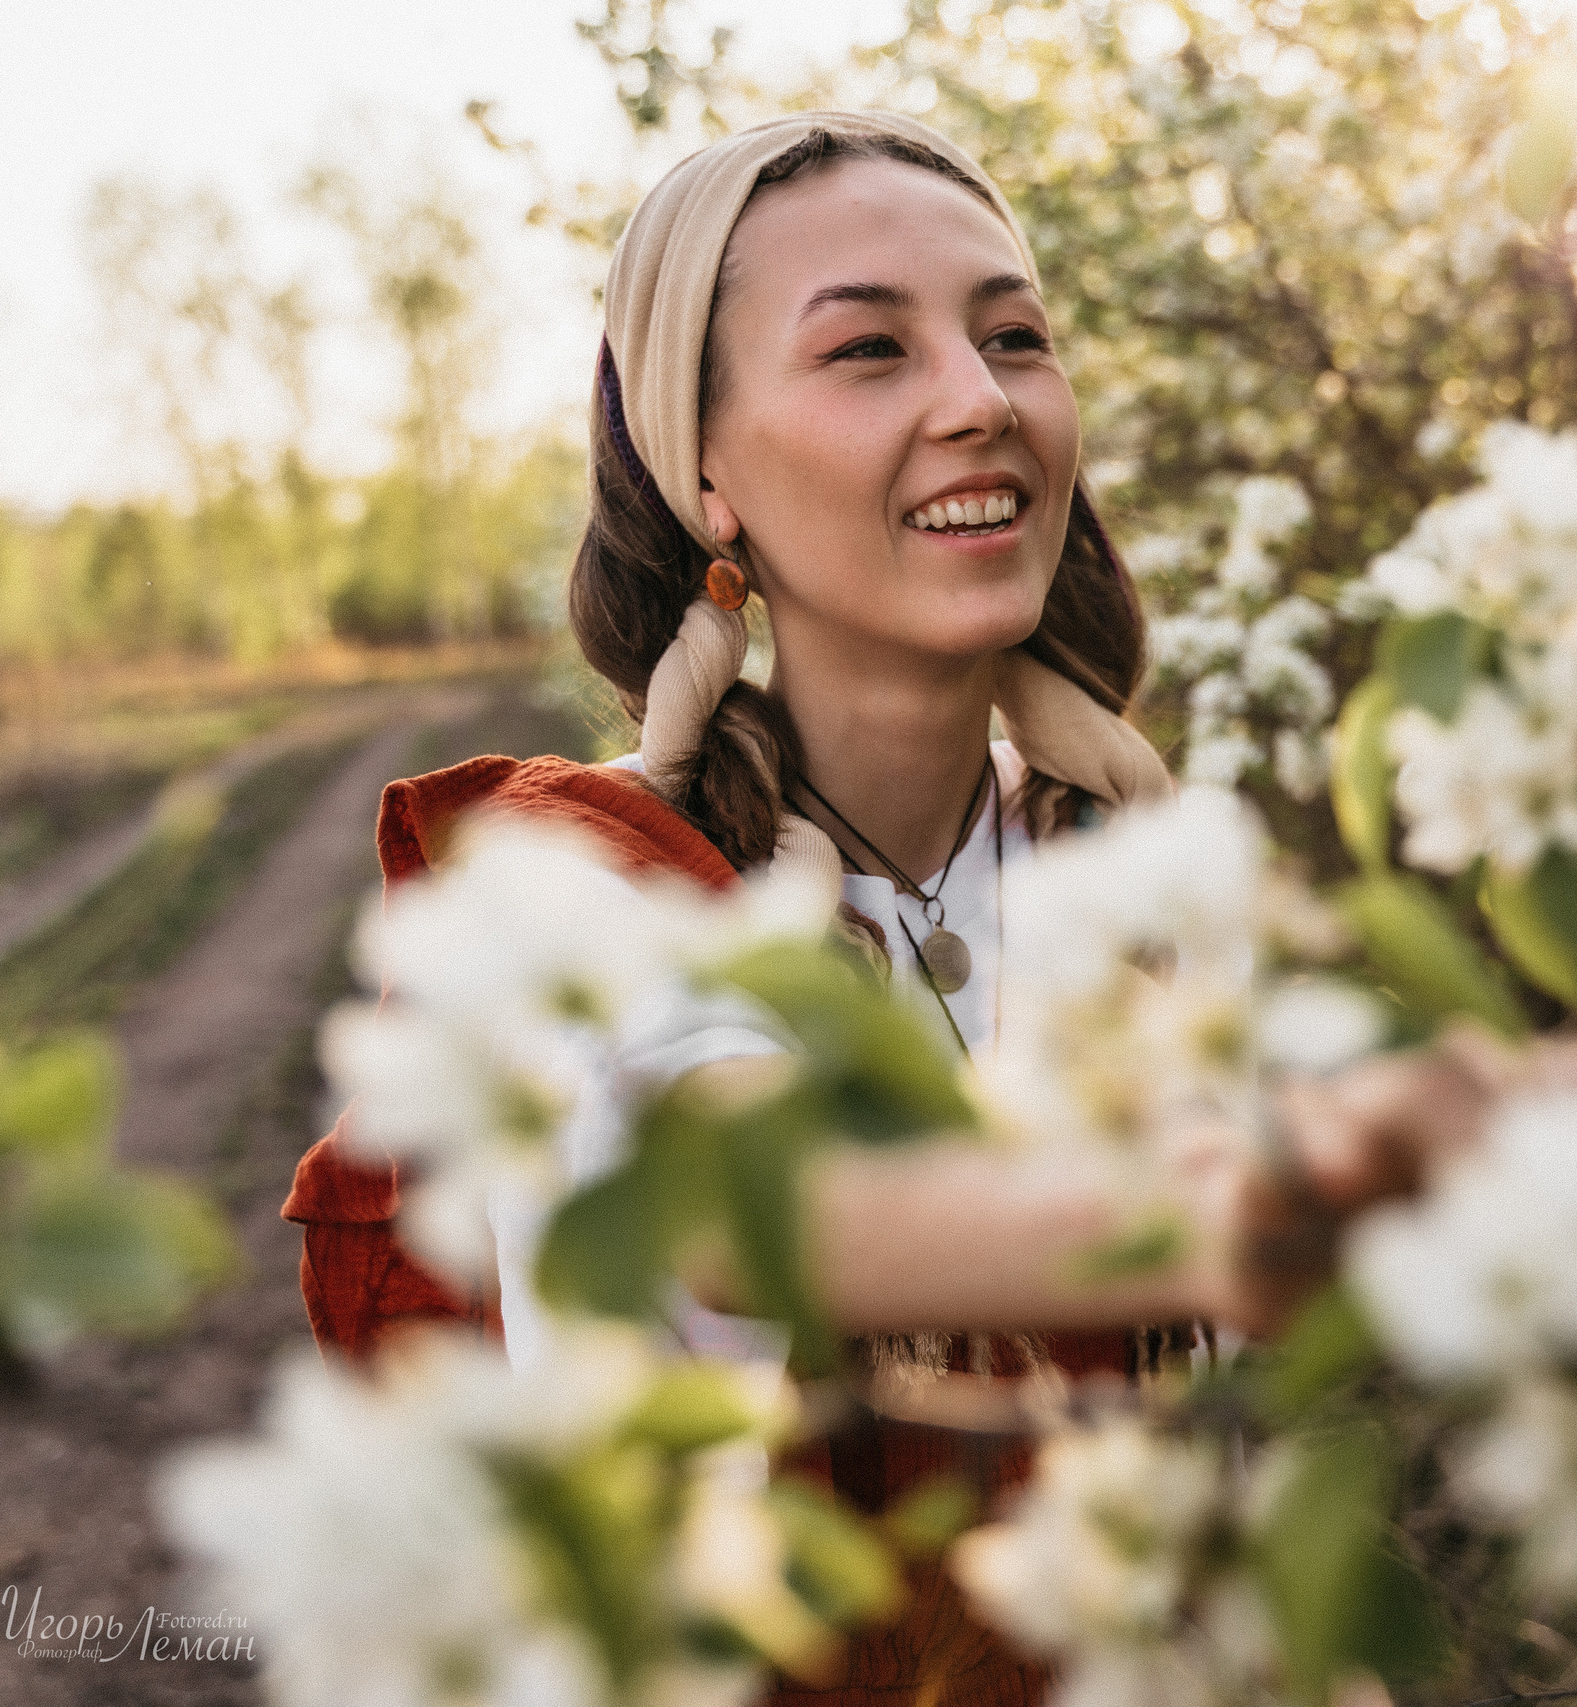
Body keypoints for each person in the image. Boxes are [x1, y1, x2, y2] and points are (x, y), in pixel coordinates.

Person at [282, 110, 1489, 1707]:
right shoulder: (576, 886)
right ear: (704, 472)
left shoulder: (1139, 880)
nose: (981, 400)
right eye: (868, 350)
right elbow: (752, 1211)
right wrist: (1269, 1196)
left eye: (1015, 338)